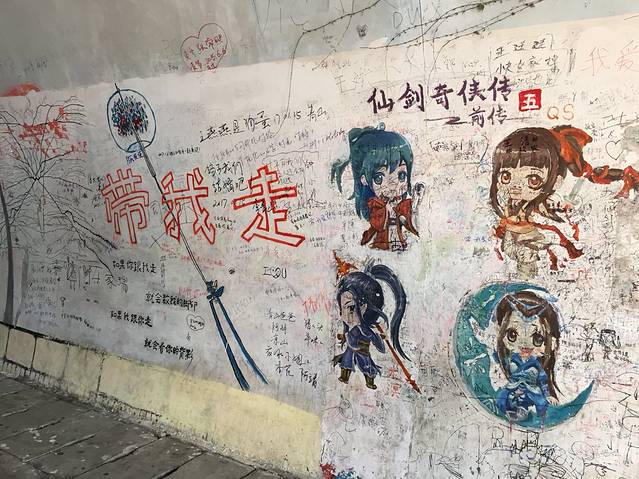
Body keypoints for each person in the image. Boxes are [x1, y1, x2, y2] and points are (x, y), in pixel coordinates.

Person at [490, 125, 639, 276]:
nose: (516, 186)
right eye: (506, 176)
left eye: (533, 179)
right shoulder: (514, 204)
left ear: (556, 181)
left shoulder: (549, 211)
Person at [331, 124, 423, 251]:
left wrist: (415, 206)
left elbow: (410, 225)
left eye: (401, 175)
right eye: (379, 178)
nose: (393, 185)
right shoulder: (375, 205)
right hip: (381, 247)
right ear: (364, 179)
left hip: (399, 246)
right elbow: (378, 224)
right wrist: (388, 210)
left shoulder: (401, 204)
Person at [332, 263, 407, 390]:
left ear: (364, 307)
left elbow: (378, 344)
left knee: (366, 366)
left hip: (363, 351)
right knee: (346, 361)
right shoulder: (351, 328)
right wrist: (344, 337)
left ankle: (369, 380)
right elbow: (350, 337)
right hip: (351, 350)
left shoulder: (365, 330)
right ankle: (345, 376)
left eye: (350, 307)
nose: (345, 316)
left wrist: (380, 339)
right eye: (342, 308)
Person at [493, 290, 561, 421]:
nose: (524, 345)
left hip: (531, 389)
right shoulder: (512, 360)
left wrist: (547, 395)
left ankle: (538, 416)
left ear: (551, 343)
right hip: (513, 388)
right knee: (501, 398)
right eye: (513, 335)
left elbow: (542, 382)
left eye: (537, 339)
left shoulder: (536, 365)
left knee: (541, 402)